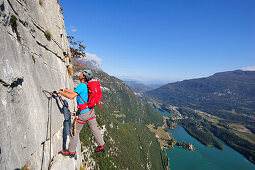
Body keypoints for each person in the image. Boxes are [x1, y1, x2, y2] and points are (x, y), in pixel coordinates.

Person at [58, 69, 105, 157]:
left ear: (83, 76)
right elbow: (74, 92)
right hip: (91, 111)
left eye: (81, 73)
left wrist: (60, 92)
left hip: (83, 113)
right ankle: (101, 145)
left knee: (74, 131)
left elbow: (72, 96)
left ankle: (71, 151)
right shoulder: (87, 85)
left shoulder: (82, 85)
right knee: (94, 128)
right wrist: (64, 90)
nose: (79, 73)